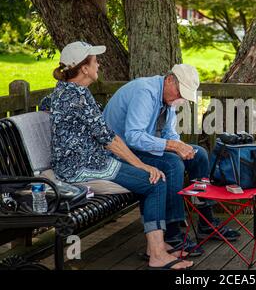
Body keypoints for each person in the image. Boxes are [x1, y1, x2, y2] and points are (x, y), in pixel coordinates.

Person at [43, 41, 193, 270]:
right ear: (84, 68)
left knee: (155, 177)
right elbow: (109, 139)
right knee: (155, 181)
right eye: (94, 61)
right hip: (82, 168)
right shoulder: (78, 97)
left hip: (88, 162)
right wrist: (142, 165)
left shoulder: (65, 91)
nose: (98, 64)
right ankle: (156, 253)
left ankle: (159, 247)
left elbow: (49, 105)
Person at [103, 64, 241, 256]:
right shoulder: (145, 92)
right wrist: (174, 147)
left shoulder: (167, 99)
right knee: (172, 164)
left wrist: (181, 148)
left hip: (140, 149)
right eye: (180, 92)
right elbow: (134, 136)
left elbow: (169, 134)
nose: (180, 98)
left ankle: (206, 222)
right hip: (122, 153)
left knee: (199, 154)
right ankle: (173, 234)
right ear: (169, 80)